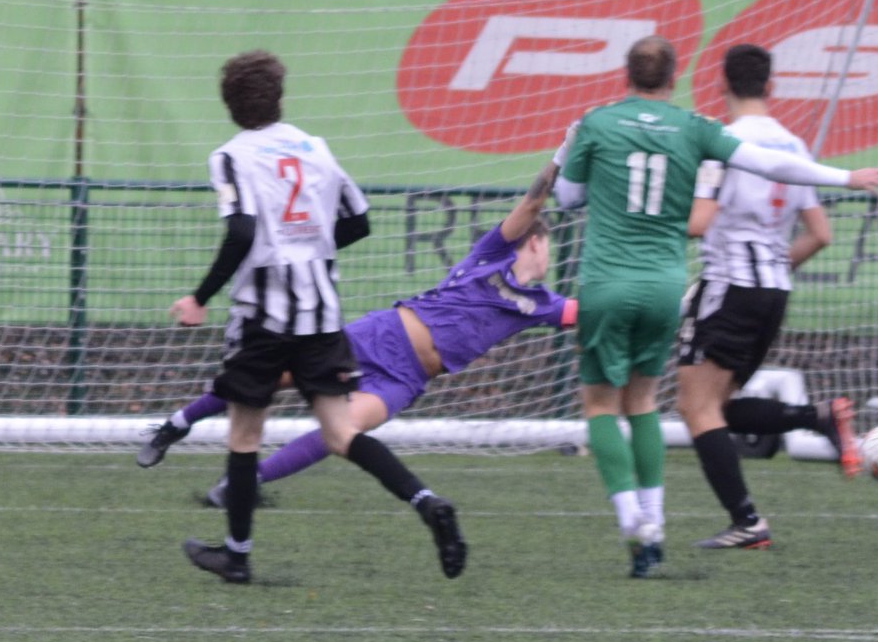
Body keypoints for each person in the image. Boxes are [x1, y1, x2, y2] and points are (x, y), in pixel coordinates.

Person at [553, 35, 878, 578]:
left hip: (672, 282)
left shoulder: (626, 126)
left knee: (641, 406)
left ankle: (688, 522)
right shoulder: (744, 137)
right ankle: (810, 424)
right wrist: (848, 177)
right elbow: (796, 199)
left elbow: (578, 201)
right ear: (676, 77)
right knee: (680, 404)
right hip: (730, 287)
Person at [173, 50, 465, 584]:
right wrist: (311, 252)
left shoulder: (231, 156)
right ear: (279, 98)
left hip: (264, 319)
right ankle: (427, 503)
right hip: (321, 319)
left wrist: (199, 297)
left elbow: (240, 232)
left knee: (243, 435)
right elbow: (358, 220)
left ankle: (236, 556)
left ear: (230, 106)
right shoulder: (316, 149)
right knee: (341, 433)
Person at [140, 153, 576, 509]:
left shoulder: (541, 305)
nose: (549, 257)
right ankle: (176, 424)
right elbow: (532, 204)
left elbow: (593, 313)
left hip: (407, 379)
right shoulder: (493, 252)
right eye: (548, 247)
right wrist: (561, 158)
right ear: (536, 242)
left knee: (341, 434)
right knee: (270, 379)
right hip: (381, 336)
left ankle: (242, 483)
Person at [677, 43, 863, 552]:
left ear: (721, 85)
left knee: (696, 407)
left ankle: (747, 521)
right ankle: (817, 417)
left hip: (729, 286)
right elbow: (821, 234)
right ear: (771, 87)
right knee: (716, 405)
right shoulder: (794, 147)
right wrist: (775, 268)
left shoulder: (722, 141)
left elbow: (701, 221)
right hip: (774, 292)